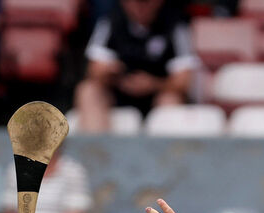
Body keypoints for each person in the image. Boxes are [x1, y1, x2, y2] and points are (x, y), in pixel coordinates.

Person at [74, 0, 197, 129]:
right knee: (88, 90)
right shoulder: (110, 21)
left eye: (146, 2)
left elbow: (184, 81)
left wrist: (153, 84)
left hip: (159, 93)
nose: (140, 7)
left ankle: (167, 148)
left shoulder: (176, 26)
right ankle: (97, 146)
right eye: (135, 2)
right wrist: (109, 72)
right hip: (118, 92)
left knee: (170, 100)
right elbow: (93, 69)